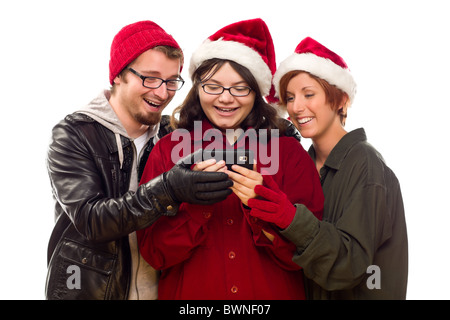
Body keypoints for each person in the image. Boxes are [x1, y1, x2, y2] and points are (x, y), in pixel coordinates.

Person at [136, 18, 324, 300]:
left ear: (256, 92)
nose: (226, 99)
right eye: (213, 86)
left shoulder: (290, 154)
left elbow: (311, 257)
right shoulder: (168, 150)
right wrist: (197, 205)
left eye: (240, 88)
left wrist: (266, 207)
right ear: (197, 88)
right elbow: (155, 254)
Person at [45, 20, 232, 300]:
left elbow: (230, 125)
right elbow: (91, 220)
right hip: (89, 292)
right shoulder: (73, 134)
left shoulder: (173, 134)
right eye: (150, 78)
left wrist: (276, 131)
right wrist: (168, 189)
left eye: (171, 81)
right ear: (119, 75)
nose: (162, 92)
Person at [271, 37, 408, 299]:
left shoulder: (366, 166)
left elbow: (350, 264)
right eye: (289, 97)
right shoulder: (304, 166)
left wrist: (291, 219)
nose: (296, 107)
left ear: (340, 99)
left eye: (309, 94)